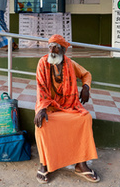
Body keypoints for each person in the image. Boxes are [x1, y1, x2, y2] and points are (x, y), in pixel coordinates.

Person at [34, 34, 100, 184]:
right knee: (42, 123)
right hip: (48, 107)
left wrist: (86, 87)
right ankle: (45, 164)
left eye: (56, 47)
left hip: (69, 106)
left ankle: (81, 164)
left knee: (85, 118)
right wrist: (42, 108)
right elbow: (41, 88)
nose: (52, 49)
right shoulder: (43, 63)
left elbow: (86, 74)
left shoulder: (70, 64)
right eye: (50, 46)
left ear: (63, 50)